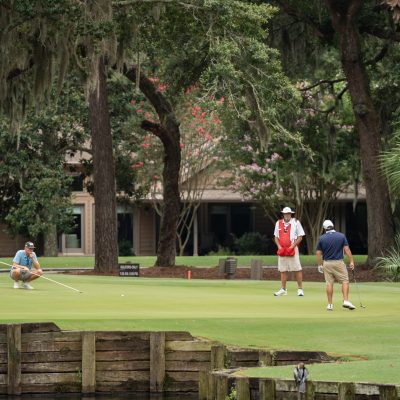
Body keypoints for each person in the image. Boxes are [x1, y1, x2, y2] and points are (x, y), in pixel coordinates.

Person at [316, 220, 356, 311]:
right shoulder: (341, 236)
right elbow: (347, 250)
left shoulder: (322, 238)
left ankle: (330, 305)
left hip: (327, 263)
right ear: (333, 226)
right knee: (345, 281)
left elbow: (318, 253)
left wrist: (319, 265)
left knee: (329, 283)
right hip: (338, 262)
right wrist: (351, 261)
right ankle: (345, 300)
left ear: (324, 228)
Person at [273, 207, 305, 296]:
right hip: (282, 249)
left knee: (297, 268)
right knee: (283, 269)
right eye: (285, 213)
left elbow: (300, 237)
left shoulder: (296, 222)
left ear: (291, 214)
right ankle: (283, 289)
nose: (287, 215)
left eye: (289, 213)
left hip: (292, 248)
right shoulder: (278, 223)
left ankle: (300, 289)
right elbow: (276, 237)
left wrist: (292, 246)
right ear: (283, 214)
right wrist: (279, 247)